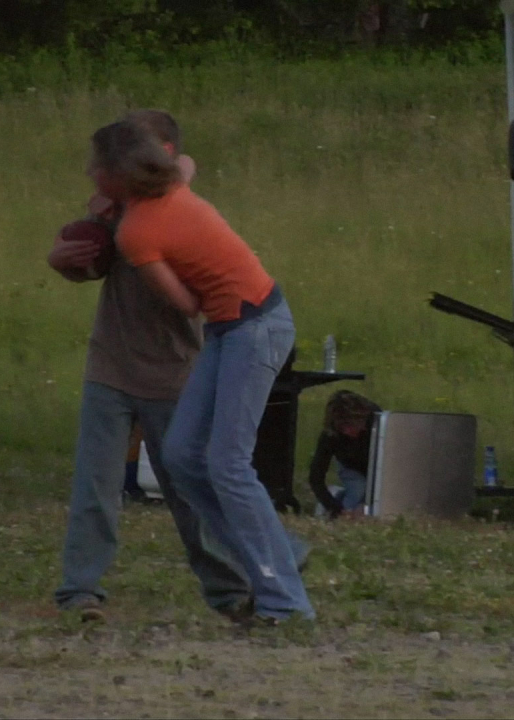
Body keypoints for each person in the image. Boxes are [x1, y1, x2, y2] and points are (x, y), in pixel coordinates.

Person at [98, 118, 314, 624]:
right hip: (231, 328)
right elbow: (187, 164)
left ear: (119, 174)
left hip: (254, 328)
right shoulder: (175, 184)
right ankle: (277, 556)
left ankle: (285, 603)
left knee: (227, 464)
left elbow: (186, 304)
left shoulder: (135, 233)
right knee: (180, 456)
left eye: (97, 167)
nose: (90, 173)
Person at [48, 110, 252, 623]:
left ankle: (231, 591)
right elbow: (85, 259)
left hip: (174, 368)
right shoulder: (115, 210)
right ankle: (80, 591)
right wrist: (67, 258)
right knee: (95, 485)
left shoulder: (178, 211)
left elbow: (185, 169)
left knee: (187, 490)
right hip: (111, 363)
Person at [309, 389, 382, 518]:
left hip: (380, 465)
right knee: (357, 490)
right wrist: (335, 508)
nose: (350, 432)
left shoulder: (377, 421)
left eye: (356, 425)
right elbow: (316, 477)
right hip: (350, 466)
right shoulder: (330, 436)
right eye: (345, 428)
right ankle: (337, 499)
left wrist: (365, 504)